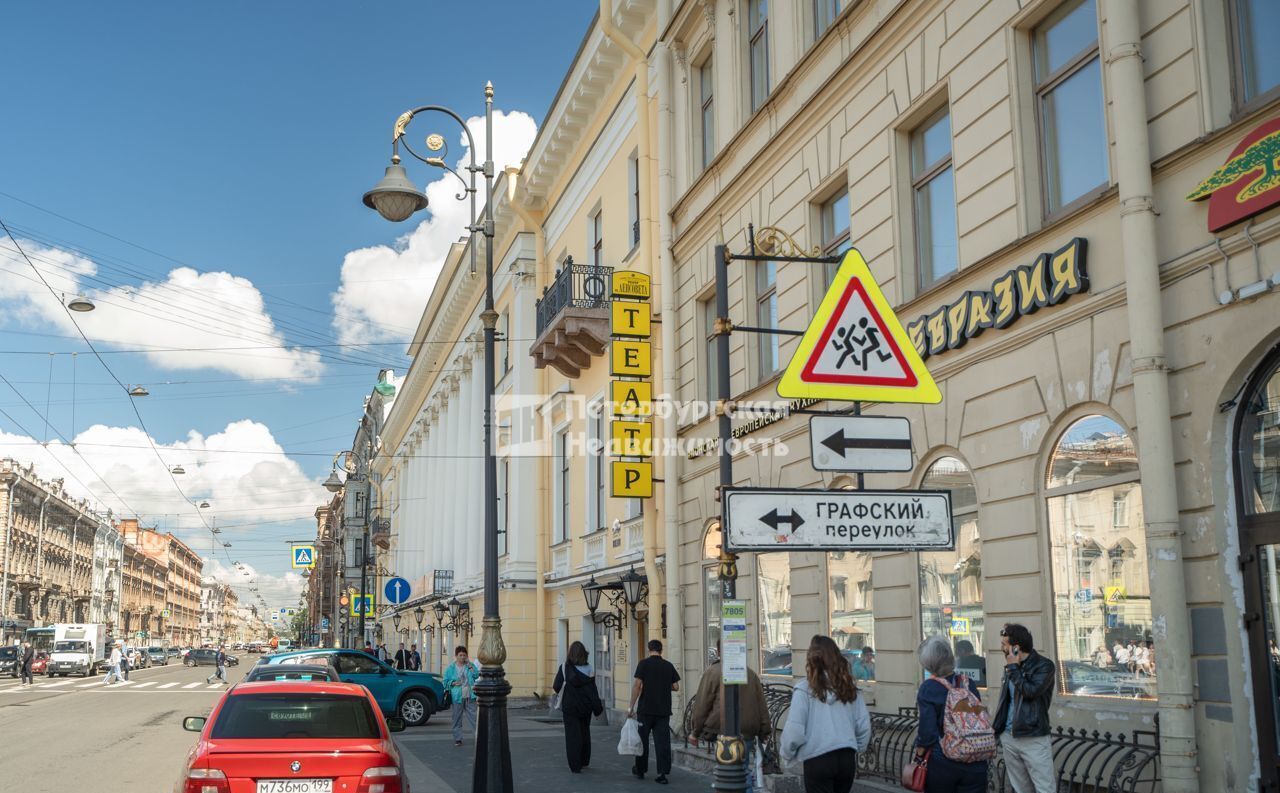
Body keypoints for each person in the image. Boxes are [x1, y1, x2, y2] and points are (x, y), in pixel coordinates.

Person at [780, 635, 871, 793]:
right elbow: (864, 726)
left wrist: (787, 755)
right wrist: (857, 747)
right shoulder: (850, 689)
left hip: (818, 757)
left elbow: (794, 730)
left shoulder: (805, 689)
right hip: (846, 757)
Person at [690, 644, 770, 793]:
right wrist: (765, 731)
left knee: (725, 771)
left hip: (722, 729)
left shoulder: (713, 672)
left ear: (719, 651)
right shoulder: (750, 673)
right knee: (743, 769)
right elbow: (761, 704)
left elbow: (702, 703)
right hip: (748, 729)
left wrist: (695, 730)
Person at [912, 637, 988, 792]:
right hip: (975, 758)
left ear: (928, 664)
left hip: (944, 760)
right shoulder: (968, 682)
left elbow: (928, 732)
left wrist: (919, 755)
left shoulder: (929, 687)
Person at [993, 624, 1056, 793]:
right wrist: (997, 730)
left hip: (1033, 737)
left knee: (1045, 788)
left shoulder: (1044, 666)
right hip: (1009, 736)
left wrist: (1013, 668)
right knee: (1021, 788)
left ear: (1016, 647)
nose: (1002, 648)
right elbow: (1005, 701)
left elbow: (1030, 692)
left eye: (1005, 644)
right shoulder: (1010, 668)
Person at [628, 639, 681, 784]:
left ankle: (640, 770)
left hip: (645, 710)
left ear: (649, 649)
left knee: (642, 741)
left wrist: (630, 707)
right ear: (661, 650)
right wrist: (663, 685)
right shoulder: (668, 666)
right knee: (662, 743)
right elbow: (676, 687)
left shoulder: (643, 664)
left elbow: (637, 686)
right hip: (663, 711)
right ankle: (663, 774)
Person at [552, 640, 604, 773]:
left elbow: (556, 686)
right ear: (584, 654)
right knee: (584, 732)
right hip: (585, 707)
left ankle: (575, 765)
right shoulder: (589, 668)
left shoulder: (564, 667)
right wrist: (597, 710)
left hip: (570, 707)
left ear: (570, 654)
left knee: (572, 736)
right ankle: (584, 760)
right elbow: (593, 691)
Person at [443, 645, 479, 747]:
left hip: (470, 696)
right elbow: (445, 682)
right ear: (456, 656)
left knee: (474, 718)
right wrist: (453, 683)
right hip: (457, 697)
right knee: (457, 718)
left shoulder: (470, 665)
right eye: (460, 655)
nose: (462, 657)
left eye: (464, 655)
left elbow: (476, 675)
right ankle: (458, 739)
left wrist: (470, 666)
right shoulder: (451, 668)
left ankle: (478, 737)